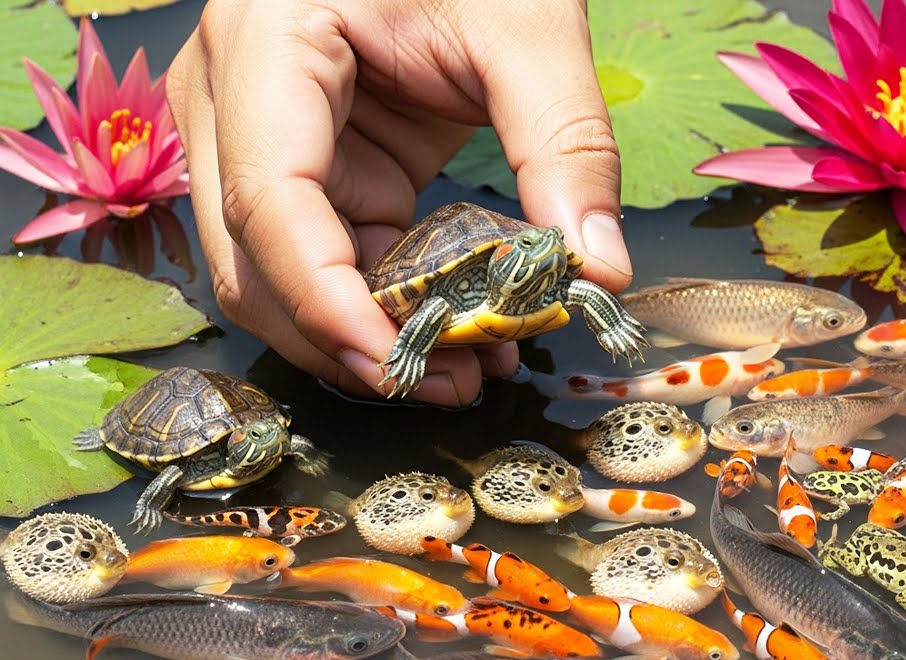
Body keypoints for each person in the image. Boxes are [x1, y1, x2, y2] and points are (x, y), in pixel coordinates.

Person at [166, 0, 633, 407]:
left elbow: (584, 290)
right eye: (532, 245)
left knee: (585, 287)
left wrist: (612, 325)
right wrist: (409, 349)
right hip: (435, 285)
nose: (550, 248)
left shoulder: (554, 286)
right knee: (414, 319)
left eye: (545, 245)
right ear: (502, 262)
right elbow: (430, 308)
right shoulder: (452, 295)